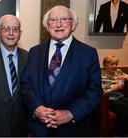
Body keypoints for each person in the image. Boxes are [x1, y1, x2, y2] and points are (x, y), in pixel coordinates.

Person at [21, 5, 102, 137]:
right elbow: (25, 85)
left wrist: (71, 113)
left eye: (64, 19)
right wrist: (37, 109)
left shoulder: (89, 53)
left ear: (73, 24)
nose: (58, 24)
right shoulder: (35, 52)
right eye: (53, 20)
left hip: (74, 129)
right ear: (47, 25)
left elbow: (95, 91)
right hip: (39, 130)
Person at [101, 54, 128, 136]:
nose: (114, 66)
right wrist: (114, 88)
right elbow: (103, 92)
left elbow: (126, 76)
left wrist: (126, 78)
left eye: (116, 64)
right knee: (125, 111)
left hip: (121, 98)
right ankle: (122, 133)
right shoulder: (101, 76)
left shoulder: (118, 72)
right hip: (111, 100)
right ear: (105, 65)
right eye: (112, 64)